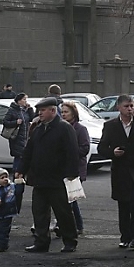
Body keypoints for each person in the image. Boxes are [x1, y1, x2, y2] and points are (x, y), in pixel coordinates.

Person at [15, 96, 80, 253]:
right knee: (39, 213)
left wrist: (71, 174)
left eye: (43, 110)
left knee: (63, 212)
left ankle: (70, 241)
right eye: (39, 110)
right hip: (39, 179)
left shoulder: (64, 128)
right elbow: (28, 151)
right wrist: (21, 169)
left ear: (52, 110)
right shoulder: (38, 129)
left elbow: (72, 152)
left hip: (58, 179)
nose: (40, 113)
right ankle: (41, 242)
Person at [98, 94, 134, 249]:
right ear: (118, 108)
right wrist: (113, 152)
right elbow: (102, 148)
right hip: (121, 172)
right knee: (123, 206)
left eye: (131, 106)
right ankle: (125, 237)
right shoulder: (110, 126)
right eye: (126, 106)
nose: (130, 109)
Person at [2, 92, 34, 214]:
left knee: (22, 161)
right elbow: (5, 122)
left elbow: (32, 118)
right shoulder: (12, 110)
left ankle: (19, 177)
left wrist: (30, 109)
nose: (26, 101)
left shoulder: (25, 110)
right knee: (19, 162)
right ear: (19, 100)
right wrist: (16, 122)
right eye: (24, 99)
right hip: (17, 141)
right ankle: (17, 180)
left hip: (25, 140)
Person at [61, 101, 90, 235]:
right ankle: (75, 226)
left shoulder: (80, 129)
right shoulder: (61, 128)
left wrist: (69, 152)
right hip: (62, 168)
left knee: (70, 198)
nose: (63, 114)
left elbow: (84, 149)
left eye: (66, 112)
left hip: (76, 169)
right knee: (68, 199)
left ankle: (74, 226)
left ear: (73, 113)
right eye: (62, 112)